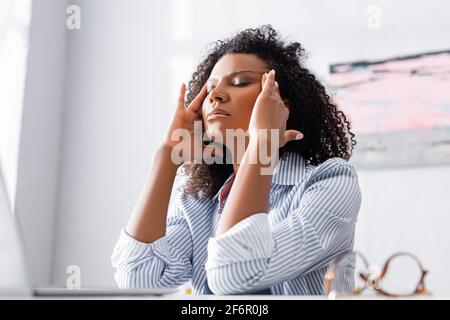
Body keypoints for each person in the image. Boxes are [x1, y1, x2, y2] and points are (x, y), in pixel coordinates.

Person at [111, 25, 361, 295]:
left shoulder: (331, 182)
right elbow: (138, 280)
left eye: (240, 82)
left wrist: (262, 144)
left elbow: (233, 274)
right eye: (210, 89)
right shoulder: (201, 200)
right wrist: (166, 159)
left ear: (280, 107)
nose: (215, 96)